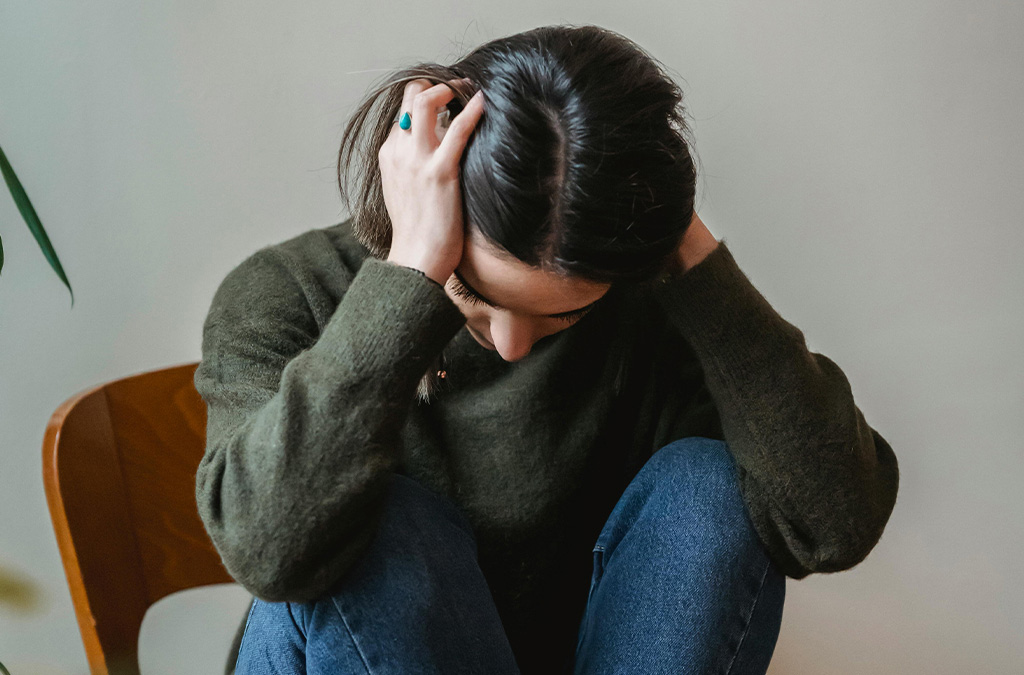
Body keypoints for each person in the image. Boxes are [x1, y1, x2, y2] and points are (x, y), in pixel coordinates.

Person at [193, 24, 900, 675]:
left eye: (561, 316)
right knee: (373, 527)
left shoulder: (643, 308)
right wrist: (409, 283)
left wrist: (683, 243)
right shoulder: (287, 294)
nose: (511, 343)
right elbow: (270, 550)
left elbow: (834, 524)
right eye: (473, 292)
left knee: (711, 487)